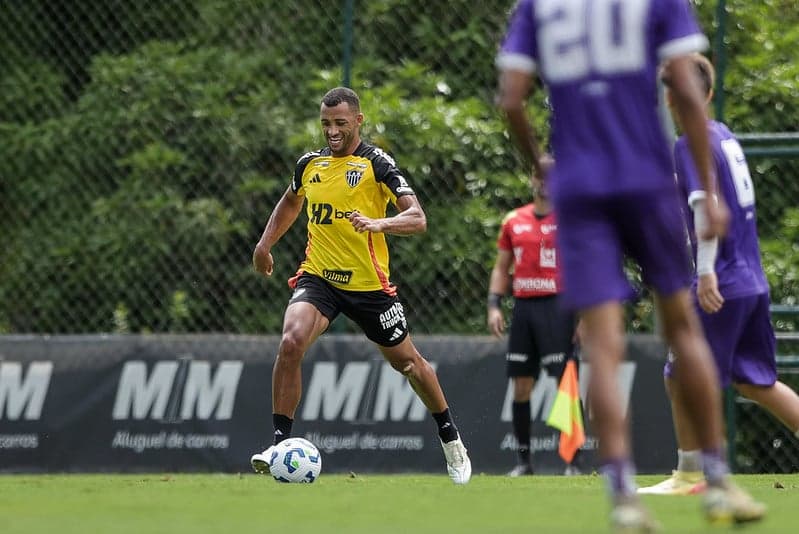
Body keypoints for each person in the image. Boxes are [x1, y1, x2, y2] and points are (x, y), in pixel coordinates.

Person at [495, 0, 765, 530]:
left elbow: (511, 100)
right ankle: (715, 481)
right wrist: (709, 191)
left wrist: (539, 166)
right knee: (682, 326)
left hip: (580, 189)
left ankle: (621, 493)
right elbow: (687, 90)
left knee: (601, 340)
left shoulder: (539, 6)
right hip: (646, 178)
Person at [249, 86, 471, 484]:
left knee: (408, 364)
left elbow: (418, 218)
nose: (331, 131)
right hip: (319, 278)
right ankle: (280, 443)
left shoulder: (377, 164)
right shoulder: (309, 165)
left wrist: (380, 223)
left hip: (369, 286)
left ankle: (450, 438)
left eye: (339, 123)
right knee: (290, 341)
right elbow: (290, 201)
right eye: (325, 124)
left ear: (357, 121)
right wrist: (265, 244)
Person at [639, 54, 799, 495]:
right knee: (755, 381)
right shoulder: (723, 135)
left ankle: (690, 476)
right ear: (708, 93)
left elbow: (703, 206)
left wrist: (706, 273)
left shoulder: (689, 140)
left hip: (722, 279)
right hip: (752, 278)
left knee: (678, 372)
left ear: (671, 97)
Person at [487, 167, 582, 476]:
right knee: (521, 385)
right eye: (540, 176)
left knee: (564, 383)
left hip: (559, 307)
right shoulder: (514, 220)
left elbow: (584, 268)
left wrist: (584, 317)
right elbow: (502, 267)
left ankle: (573, 462)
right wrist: (494, 305)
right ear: (532, 179)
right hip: (524, 309)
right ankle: (524, 462)